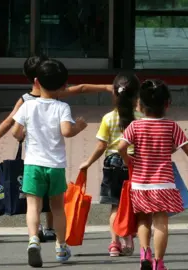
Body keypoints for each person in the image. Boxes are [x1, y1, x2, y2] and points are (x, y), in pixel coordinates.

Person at [0, 55, 114, 241]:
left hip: (34, 162)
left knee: (36, 200)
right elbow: (80, 90)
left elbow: (10, 125)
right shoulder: (56, 97)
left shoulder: (31, 100)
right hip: (54, 163)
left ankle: (36, 236)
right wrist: (106, 88)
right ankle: (52, 230)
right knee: (55, 201)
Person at [11, 59, 87, 267]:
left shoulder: (27, 106)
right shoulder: (62, 107)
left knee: (33, 206)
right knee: (57, 208)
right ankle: (61, 246)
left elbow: (16, 132)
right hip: (55, 166)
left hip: (33, 164)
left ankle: (33, 239)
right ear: (64, 86)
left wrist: (25, 133)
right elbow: (66, 131)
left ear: (36, 81)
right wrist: (78, 126)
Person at [118, 80, 188, 270]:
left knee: (143, 219)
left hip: (140, 183)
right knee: (161, 222)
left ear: (139, 104)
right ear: (167, 104)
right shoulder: (172, 127)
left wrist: (127, 160)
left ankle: (145, 253)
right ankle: (158, 262)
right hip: (164, 183)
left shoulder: (135, 126)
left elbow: (121, 146)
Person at [79, 73, 142, 257]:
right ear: (136, 95)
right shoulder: (140, 118)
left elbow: (101, 145)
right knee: (133, 205)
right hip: (134, 164)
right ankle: (129, 239)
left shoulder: (108, 118)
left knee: (115, 206)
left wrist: (88, 162)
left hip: (112, 164)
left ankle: (114, 244)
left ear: (114, 94)